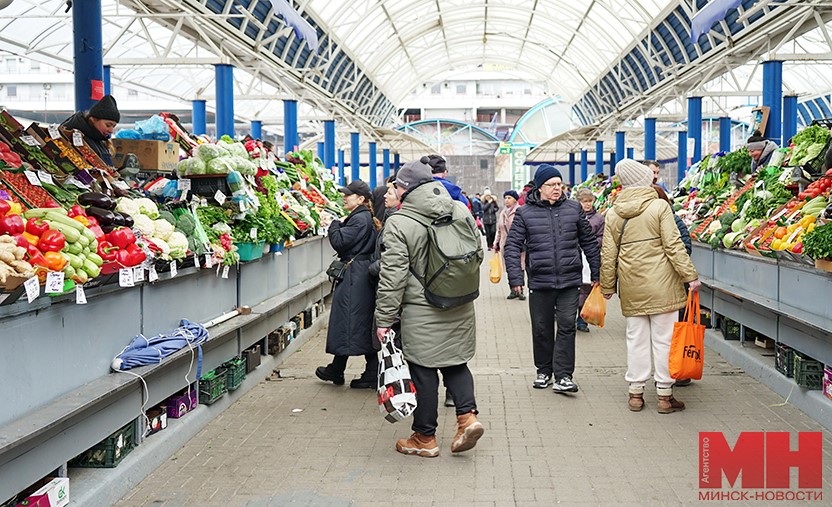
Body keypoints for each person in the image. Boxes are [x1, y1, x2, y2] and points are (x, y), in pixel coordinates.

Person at [375, 160, 484, 458]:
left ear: (405, 189)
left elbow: (392, 276)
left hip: (422, 309)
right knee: (456, 363)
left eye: (395, 186)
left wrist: (383, 319)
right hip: (460, 303)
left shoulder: (400, 222)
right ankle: (467, 419)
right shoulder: (459, 209)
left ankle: (424, 438)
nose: (393, 190)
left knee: (423, 371)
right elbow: (479, 253)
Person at [599, 160, 701, 414]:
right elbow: (673, 245)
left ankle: (636, 393)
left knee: (635, 339)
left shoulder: (613, 212)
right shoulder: (658, 207)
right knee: (665, 340)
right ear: (646, 180)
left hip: (632, 287)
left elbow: (608, 254)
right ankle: (665, 396)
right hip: (663, 286)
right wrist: (690, 277)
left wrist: (608, 286)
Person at [504, 165, 601, 393]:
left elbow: (589, 241)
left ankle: (564, 375)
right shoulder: (525, 213)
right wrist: (515, 277)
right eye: (552, 185)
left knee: (567, 326)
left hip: (569, 280)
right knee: (541, 328)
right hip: (540, 281)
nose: (557, 188)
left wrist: (597, 273)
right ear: (540, 187)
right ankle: (544, 370)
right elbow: (513, 246)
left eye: (559, 184)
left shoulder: (573, 209)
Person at [315, 180, 382, 389]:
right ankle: (341, 368)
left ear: (360, 199)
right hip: (360, 274)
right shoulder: (363, 217)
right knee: (355, 321)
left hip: (355, 276)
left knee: (350, 320)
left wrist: (333, 224)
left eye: (348, 195)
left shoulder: (359, 219)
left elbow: (340, 242)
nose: (344, 197)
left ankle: (358, 371)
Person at [574, 188, 605, 333]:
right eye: (584, 201)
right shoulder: (573, 215)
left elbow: (602, 236)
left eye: (589, 201)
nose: (587, 204)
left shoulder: (598, 218)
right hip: (575, 255)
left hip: (590, 257)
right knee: (575, 287)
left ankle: (582, 319)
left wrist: (591, 242)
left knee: (587, 288)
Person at [61, 94, 120, 167]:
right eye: (108, 125)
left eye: (113, 126)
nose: (111, 130)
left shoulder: (99, 140)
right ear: (93, 119)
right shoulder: (71, 134)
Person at [494, 190, 524, 300]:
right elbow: (499, 230)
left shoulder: (520, 211)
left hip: (518, 244)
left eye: (509, 198)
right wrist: (496, 243)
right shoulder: (502, 213)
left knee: (520, 267)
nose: (507, 200)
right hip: (505, 244)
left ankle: (521, 290)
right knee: (509, 267)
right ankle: (512, 289)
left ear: (515, 199)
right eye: (505, 198)